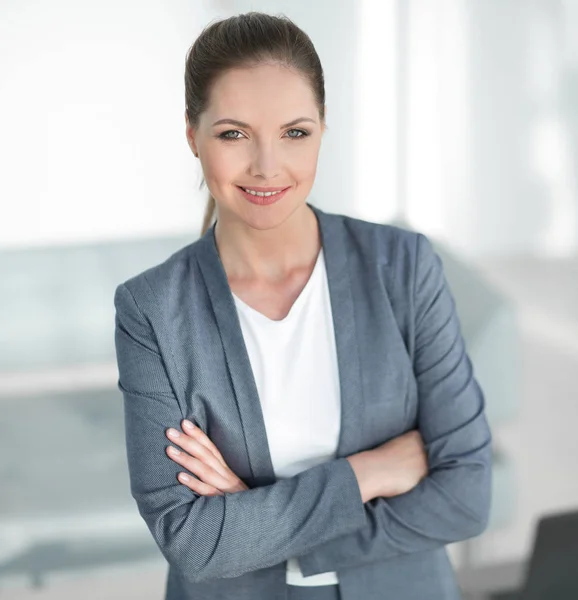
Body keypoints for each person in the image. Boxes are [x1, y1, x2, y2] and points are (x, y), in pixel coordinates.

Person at [113, 11, 492, 600]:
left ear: (322, 129)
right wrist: (366, 475)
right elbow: (192, 540)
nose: (267, 166)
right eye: (233, 133)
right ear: (192, 133)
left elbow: (466, 497)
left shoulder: (402, 266)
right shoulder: (153, 310)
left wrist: (257, 518)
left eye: (295, 132)